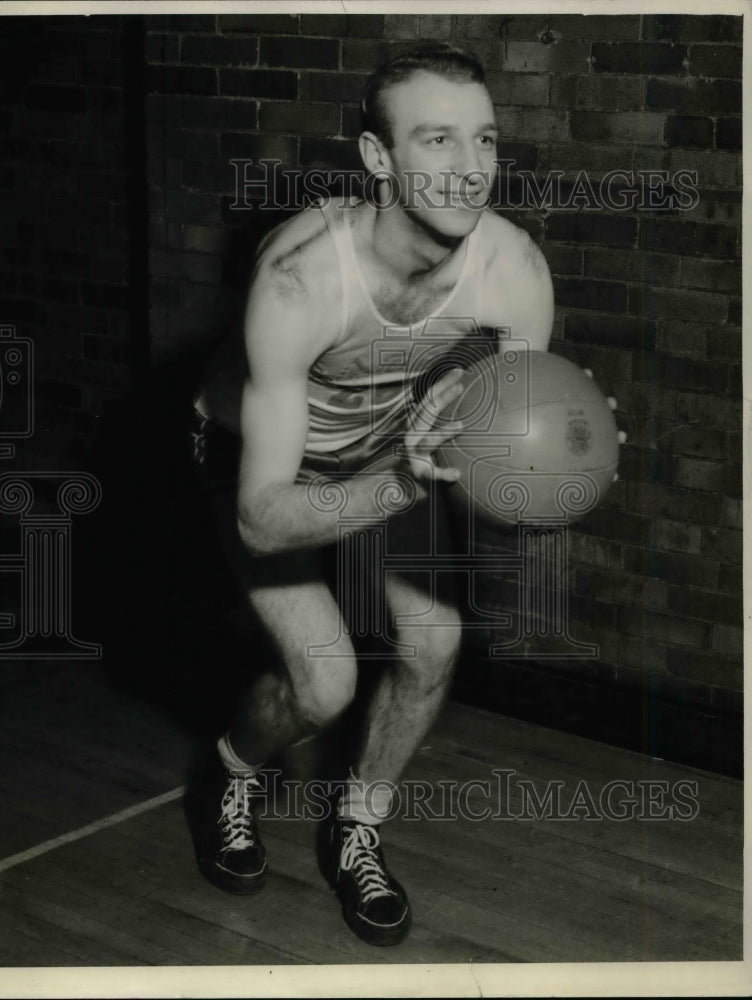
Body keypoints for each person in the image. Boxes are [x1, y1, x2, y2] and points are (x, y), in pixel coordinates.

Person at [191, 43, 557, 947]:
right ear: (378, 161)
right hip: (261, 468)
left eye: (484, 140)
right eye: (436, 141)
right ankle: (232, 776)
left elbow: (509, 448)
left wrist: (564, 451)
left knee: (435, 641)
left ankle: (356, 825)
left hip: (384, 455)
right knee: (322, 683)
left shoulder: (514, 274)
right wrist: (405, 476)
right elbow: (264, 520)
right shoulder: (300, 279)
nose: (470, 171)